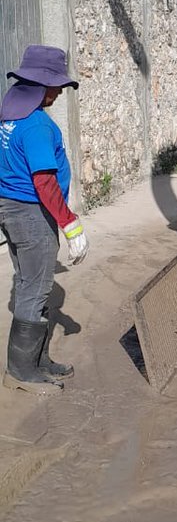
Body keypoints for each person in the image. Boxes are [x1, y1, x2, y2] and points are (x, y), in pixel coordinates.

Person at [0, 45, 89, 392]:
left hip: (11, 208)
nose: (58, 92)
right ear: (38, 85)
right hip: (32, 213)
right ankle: (22, 370)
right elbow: (44, 181)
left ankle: (37, 359)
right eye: (54, 86)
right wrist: (70, 224)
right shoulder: (36, 125)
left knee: (28, 283)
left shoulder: (8, 117)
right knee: (36, 288)